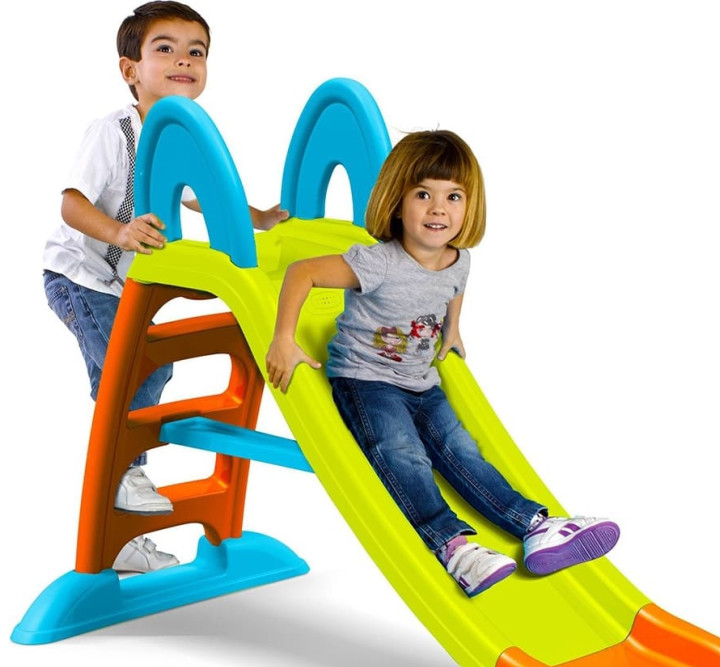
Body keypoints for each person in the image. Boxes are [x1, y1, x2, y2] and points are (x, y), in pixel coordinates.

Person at [266, 130, 619, 597]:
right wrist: (283, 339)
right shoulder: (379, 263)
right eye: (423, 195)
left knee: (462, 450)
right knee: (401, 451)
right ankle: (453, 547)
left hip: (421, 381)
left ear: (469, 206)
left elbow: (454, 289)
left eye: (453, 196)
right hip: (366, 381)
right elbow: (303, 272)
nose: (438, 209)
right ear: (397, 202)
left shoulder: (458, 260)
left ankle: (534, 526)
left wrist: (452, 329)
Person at [43, 2, 288, 573]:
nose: (184, 60)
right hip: (80, 277)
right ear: (130, 70)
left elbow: (201, 195)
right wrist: (119, 232)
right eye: (166, 49)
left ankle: (121, 535)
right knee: (130, 369)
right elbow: (71, 203)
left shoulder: (181, 138)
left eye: (195, 52)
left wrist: (258, 219)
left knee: (142, 373)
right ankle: (124, 474)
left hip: (125, 286)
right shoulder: (114, 131)